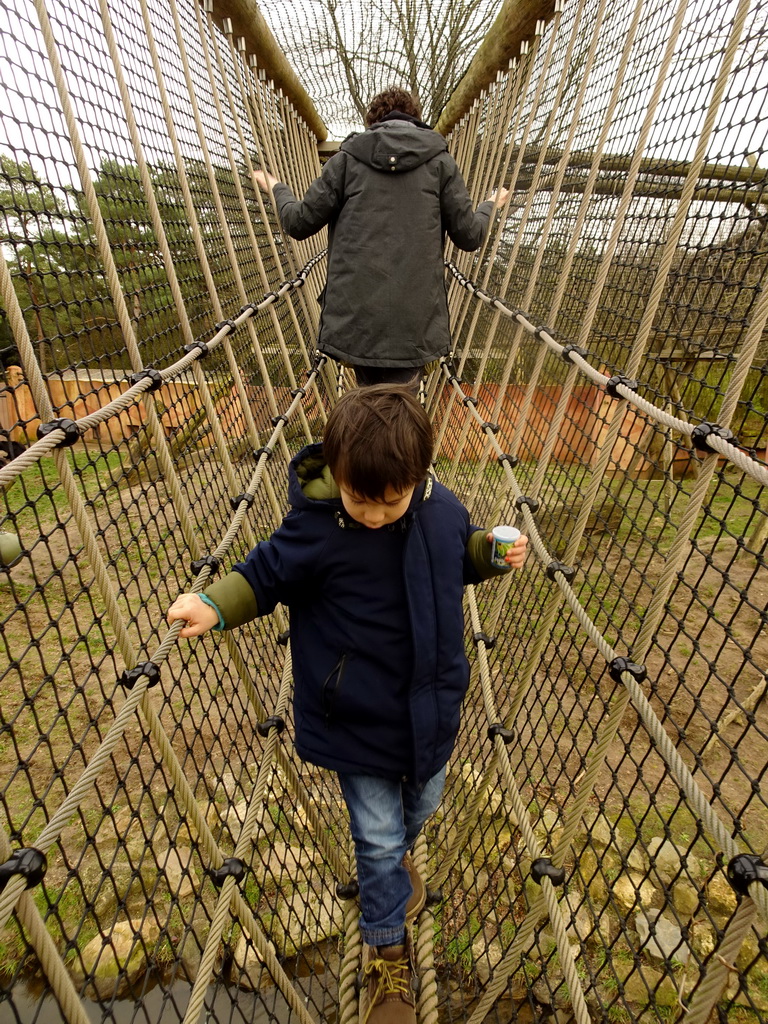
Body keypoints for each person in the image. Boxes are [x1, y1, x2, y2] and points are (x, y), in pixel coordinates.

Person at [167, 385, 528, 1024]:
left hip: (431, 710)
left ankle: (391, 874)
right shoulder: (318, 527)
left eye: (391, 502)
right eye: (361, 499)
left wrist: (487, 553)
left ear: (419, 480)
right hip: (355, 715)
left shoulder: (442, 511)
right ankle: (388, 960)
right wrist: (215, 604)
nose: (374, 514)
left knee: (422, 805)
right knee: (379, 835)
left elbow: (457, 557)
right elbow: (264, 574)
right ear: (338, 477)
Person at [254, 87, 509, 389]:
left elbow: (298, 223)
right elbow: (470, 236)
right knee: (401, 410)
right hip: (414, 323)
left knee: (369, 403)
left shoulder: (346, 160)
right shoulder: (440, 163)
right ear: (416, 120)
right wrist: (489, 206)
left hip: (356, 320)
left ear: (371, 124)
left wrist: (277, 188)